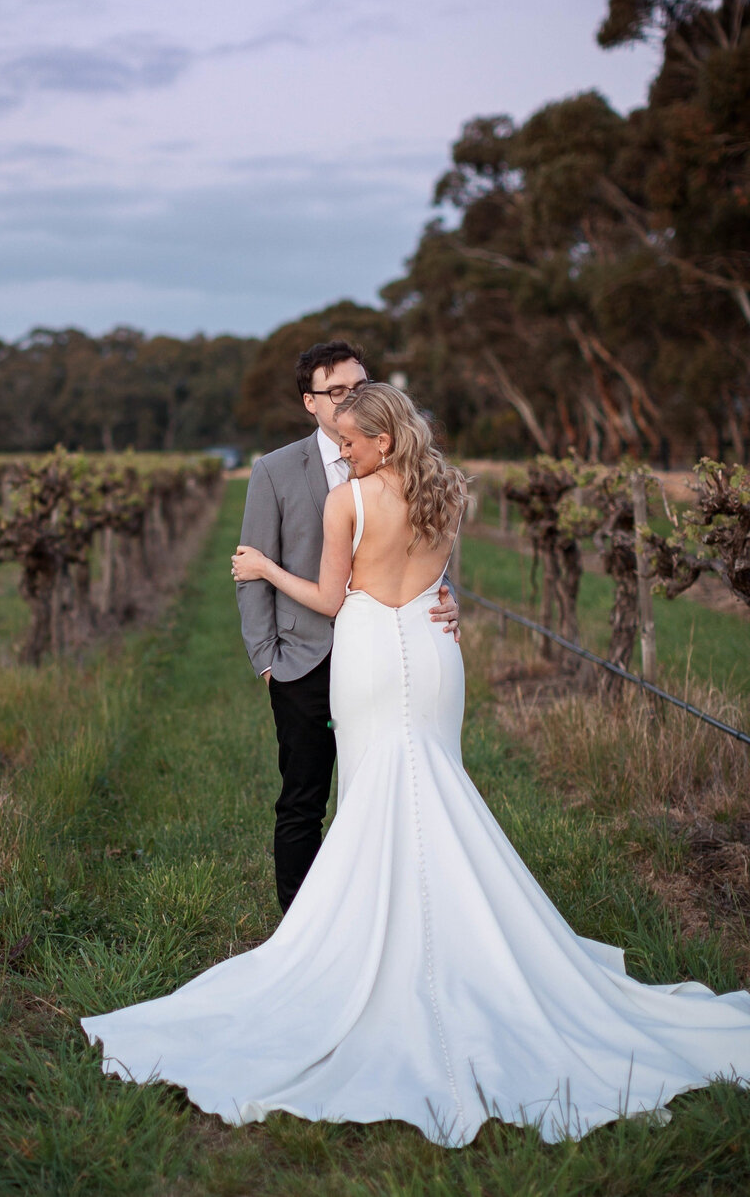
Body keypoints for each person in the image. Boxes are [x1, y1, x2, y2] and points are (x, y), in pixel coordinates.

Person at [81, 383, 750, 1146]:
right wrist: (443, 597)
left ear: (384, 442)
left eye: (356, 442)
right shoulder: (448, 492)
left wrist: (264, 569)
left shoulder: (350, 502)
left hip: (368, 653)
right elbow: (436, 584)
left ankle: (383, 947)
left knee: (376, 795)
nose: (346, 451)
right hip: (434, 656)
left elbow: (332, 600)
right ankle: (455, 945)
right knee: (435, 788)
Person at [235, 340, 459, 912]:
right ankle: (302, 923)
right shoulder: (275, 471)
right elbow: (250, 570)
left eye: (358, 388)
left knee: (380, 791)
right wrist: (267, 660)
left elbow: (423, 562)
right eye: (336, 392)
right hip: (303, 661)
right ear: (310, 403)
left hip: (382, 655)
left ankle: (379, 913)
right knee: (303, 800)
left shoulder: (409, 480)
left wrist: (446, 597)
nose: (348, 400)